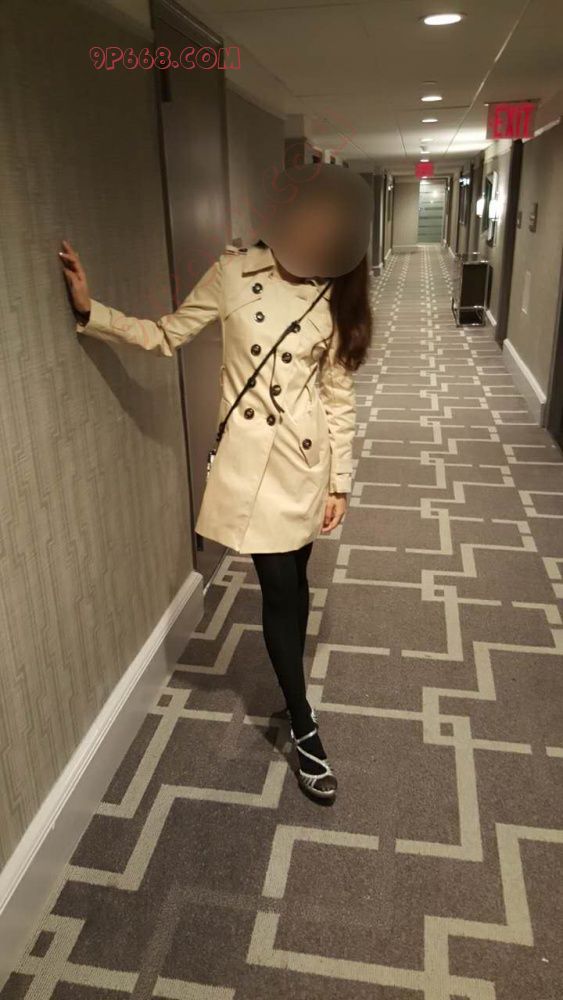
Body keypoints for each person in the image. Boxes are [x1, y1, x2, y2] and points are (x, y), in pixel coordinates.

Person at [59, 175, 372, 802]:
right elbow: (168, 334)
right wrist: (94, 313)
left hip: (304, 463)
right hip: (253, 466)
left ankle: (291, 693)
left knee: (295, 582)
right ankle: (304, 724)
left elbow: (337, 395)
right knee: (278, 586)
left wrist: (340, 480)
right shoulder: (233, 272)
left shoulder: (335, 289)